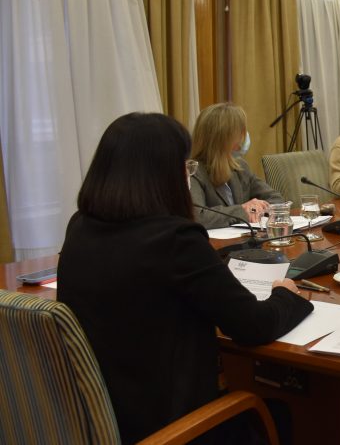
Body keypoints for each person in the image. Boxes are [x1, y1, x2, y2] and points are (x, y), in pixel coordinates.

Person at [57, 113, 313, 444]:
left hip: (102, 421)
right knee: (280, 411)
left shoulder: (79, 227)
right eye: (185, 167)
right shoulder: (176, 240)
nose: (187, 175)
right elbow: (254, 326)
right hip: (176, 429)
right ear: (165, 174)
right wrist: (286, 293)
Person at [189, 102, 283, 229]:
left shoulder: (240, 166)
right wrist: (242, 210)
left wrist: (258, 208)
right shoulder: (193, 171)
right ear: (223, 138)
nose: (243, 137)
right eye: (240, 132)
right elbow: (198, 218)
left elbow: (276, 198)